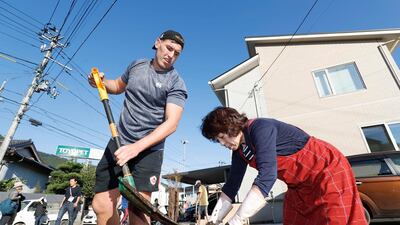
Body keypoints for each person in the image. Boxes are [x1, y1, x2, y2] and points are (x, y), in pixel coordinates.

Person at [200, 107, 368, 225]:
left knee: (338, 219)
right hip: (299, 186)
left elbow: (267, 176)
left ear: (231, 126)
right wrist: (214, 221)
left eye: (222, 137)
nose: (222, 143)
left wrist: (235, 221)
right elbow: (231, 187)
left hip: (326, 169)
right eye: (218, 140)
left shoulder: (260, 128)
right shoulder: (240, 151)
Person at [88, 29, 188, 225]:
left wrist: (136, 148)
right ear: (157, 42)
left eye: (176, 53)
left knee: (138, 212)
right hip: (119, 142)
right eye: (169, 48)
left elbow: (171, 124)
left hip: (148, 150)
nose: (171, 55)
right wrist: (100, 82)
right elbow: (117, 86)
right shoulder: (137, 65)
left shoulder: (176, 82)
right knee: (101, 205)